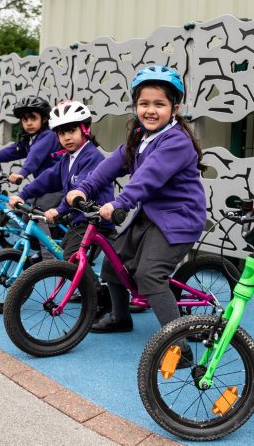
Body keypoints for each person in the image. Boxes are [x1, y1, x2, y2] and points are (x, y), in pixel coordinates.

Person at [66, 65, 206, 344]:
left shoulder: (175, 141)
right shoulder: (140, 138)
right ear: (135, 106)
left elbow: (148, 177)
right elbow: (109, 167)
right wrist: (83, 188)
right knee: (112, 265)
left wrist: (121, 202)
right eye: (144, 103)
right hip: (152, 216)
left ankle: (177, 344)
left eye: (159, 104)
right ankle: (120, 317)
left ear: (174, 109)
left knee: (149, 276)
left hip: (178, 219)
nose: (150, 110)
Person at [7, 100, 114, 263]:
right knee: (63, 255)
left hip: (95, 220)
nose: (67, 137)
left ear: (85, 129)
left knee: (71, 261)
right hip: (80, 220)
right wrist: (23, 194)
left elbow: (80, 190)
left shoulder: (92, 156)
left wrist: (60, 210)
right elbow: (47, 179)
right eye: (62, 133)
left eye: (72, 131)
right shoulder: (67, 158)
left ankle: (93, 289)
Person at [0, 95, 61, 211]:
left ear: (44, 119)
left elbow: (35, 154)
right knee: (24, 212)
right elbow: (13, 151)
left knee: (38, 219)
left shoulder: (49, 135)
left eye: (33, 118)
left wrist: (22, 173)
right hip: (43, 186)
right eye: (25, 119)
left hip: (57, 187)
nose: (29, 123)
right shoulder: (30, 138)